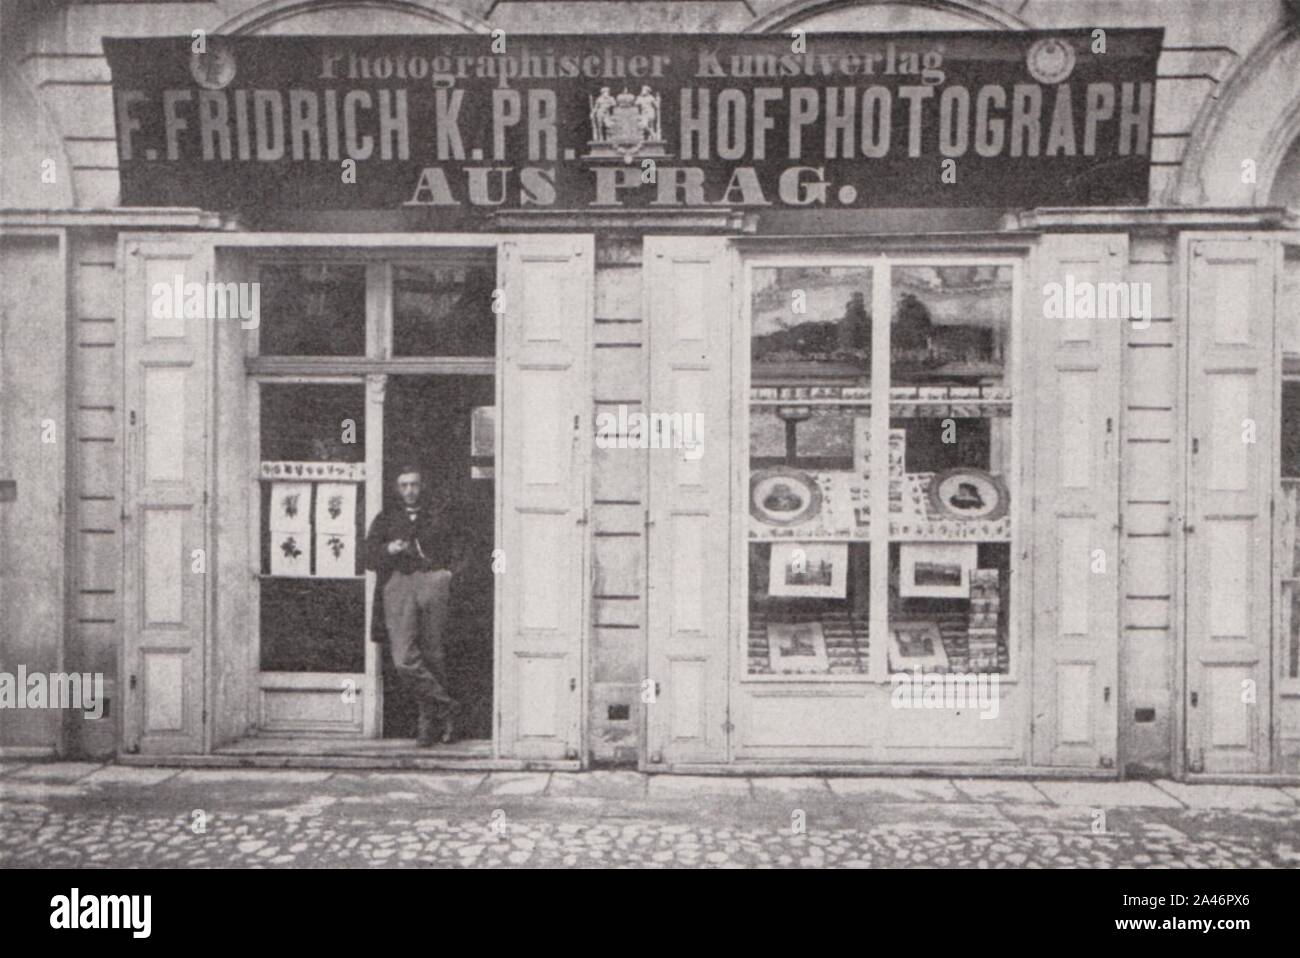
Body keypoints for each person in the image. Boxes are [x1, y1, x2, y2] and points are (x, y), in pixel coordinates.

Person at [364, 465, 460, 746]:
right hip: (399, 584)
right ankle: (448, 706)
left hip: (433, 584)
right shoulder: (386, 518)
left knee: (433, 654)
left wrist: (448, 574)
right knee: (404, 659)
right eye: (404, 485)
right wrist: (388, 550)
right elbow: (368, 557)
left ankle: (428, 724)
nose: (409, 491)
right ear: (397, 488)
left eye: (414, 485)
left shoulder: (439, 515)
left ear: (422, 486)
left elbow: (463, 548)